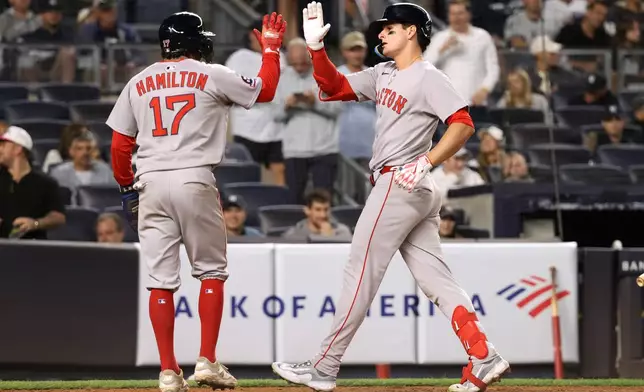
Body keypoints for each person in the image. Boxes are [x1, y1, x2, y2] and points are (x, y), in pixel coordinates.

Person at [271, 3, 510, 392]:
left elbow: (464, 124)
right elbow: (333, 89)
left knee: (360, 272)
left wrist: (429, 160)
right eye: (381, 29)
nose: (380, 34)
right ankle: (483, 356)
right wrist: (316, 49)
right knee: (438, 280)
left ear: (413, 31)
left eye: (390, 28)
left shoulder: (428, 76)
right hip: (410, 186)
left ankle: (325, 366)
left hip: (400, 182)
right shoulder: (383, 72)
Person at [107, 11, 285, 392]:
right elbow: (265, 90)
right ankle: (206, 360)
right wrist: (270, 50)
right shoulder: (211, 74)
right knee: (210, 272)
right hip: (194, 177)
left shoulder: (137, 82)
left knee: (160, 281)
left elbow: (120, 146)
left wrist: (126, 188)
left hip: (149, 182)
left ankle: (168, 372)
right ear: (193, 41)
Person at [276, 37, 341, 204]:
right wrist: (287, 106)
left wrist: (315, 104)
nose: (299, 68)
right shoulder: (281, 79)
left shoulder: (326, 74)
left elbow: (337, 109)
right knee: (294, 201)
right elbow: (275, 116)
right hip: (294, 150)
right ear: (288, 59)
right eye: (295, 64)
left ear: (310, 57)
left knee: (324, 201)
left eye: (303, 64)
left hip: (324, 149)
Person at [225, 19, 287, 186]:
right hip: (248, 126)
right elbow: (231, 90)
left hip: (277, 126)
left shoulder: (281, 59)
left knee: (279, 169)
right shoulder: (238, 59)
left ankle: (280, 204)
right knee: (248, 172)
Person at [423, 0, 499, 106]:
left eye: (460, 13)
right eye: (453, 14)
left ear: (468, 15)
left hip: (476, 103)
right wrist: (442, 50)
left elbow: (493, 69)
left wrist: (485, 89)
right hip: (447, 104)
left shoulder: (483, 37)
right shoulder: (439, 38)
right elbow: (424, 67)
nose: (456, 18)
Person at [0, 126, 65, 239]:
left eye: (3, 145)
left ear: (18, 149)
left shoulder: (45, 183)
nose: (0, 149)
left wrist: (35, 224)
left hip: (32, 248)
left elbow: (58, 217)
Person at [337, 31, 376, 170]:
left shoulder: (373, 74)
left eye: (359, 50)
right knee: (346, 187)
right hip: (344, 141)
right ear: (344, 52)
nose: (357, 55)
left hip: (370, 140)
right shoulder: (337, 75)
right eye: (352, 50)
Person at [19, 0, 76, 83]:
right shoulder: (28, 32)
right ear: (40, 14)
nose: (54, 15)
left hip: (56, 72)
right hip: (34, 72)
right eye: (49, 12)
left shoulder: (67, 32)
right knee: (26, 58)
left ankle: (67, 90)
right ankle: (32, 93)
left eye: (57, 12)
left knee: (67, 53)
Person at [49, 130, 115, 191]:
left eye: (88, 148)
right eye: (79, 149)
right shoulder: (59, 173)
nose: (85, 153)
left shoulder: (105, 170)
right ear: (71, 151)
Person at [282, 188, 352, 240]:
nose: (323, 215)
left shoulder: (343, 232)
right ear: (307, 210)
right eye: (318, 210)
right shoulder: (293, 235)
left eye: (326, 209)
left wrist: (329, 236)